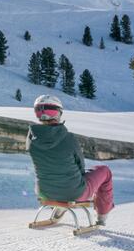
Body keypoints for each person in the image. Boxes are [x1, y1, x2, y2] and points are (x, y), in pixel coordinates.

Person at [27, 95, 114, 225]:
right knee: (104, 171)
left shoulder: (30, 139)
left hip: (44, 191)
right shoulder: (68, 138)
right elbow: (80, 167)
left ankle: (59, 207)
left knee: (56, 175)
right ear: (58, 113)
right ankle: (102, 216)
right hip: (73, 193)